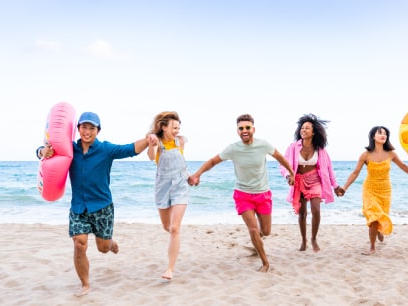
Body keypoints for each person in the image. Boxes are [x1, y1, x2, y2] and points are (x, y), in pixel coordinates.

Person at [38, 112, 149, 296]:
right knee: (79, 244)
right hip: (78, 208)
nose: (87, 132)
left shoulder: (106, 149)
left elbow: (130, 149)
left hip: (102, 207)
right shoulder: (69, 149)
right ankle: (85, 284)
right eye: (84, 127)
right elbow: (42, 151)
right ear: (78, 128)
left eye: (92, 128)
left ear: (98, 130)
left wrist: (148, 139)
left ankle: (109, 242)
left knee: (103, 248)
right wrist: (43, 152)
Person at [188, 114, 295, 272]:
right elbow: (212, 161)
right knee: (253, 229)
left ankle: (256, 241)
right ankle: (265, 262)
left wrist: (292, 173)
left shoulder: (264, 145)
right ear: (237, 131)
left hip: (263, 194)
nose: (244, 130)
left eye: (247, 128)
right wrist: (197, 174)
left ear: (253, 129)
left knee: (265, 231)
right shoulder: (233, 148)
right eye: (241, 128)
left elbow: (280, 157)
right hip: (243, 194)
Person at [341, 126, 408, 255]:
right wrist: (344, 188)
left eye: (385, 133)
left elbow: (403, 166)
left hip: (385, 190)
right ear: (373, 137)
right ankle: (372, 247)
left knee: (380, 216)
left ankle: (379, 231)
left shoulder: (391, 154)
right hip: (370, 189)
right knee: (373, 217)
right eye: (379, 133)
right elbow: (355, 173)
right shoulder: (365, 155)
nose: (383, 135)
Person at [280, 113, 343, 252]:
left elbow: (329, 169)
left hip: (315, 181)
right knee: (302, 214)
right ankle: (303, 241)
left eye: (307, 128)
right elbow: (283, 164)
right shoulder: (293, 147)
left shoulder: (320, 150)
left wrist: (336, 186)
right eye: (302, 128)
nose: (304, 130)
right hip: (299, 182)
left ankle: (314, 238)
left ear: (314, 132)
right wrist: (287, 176)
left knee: (316, 209)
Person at [146, 111, 189, 280]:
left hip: (181, 186)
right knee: (167, 227)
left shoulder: (180, 141)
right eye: (173, 127)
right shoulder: (157, 141)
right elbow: (151, 157)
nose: (176, 131)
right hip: (162, 187)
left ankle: (170, 268)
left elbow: (182, 164)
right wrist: (151, 143)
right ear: (163, 127)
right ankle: (173, 241)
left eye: (178, 127)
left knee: (174, 228)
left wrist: (191, 177)